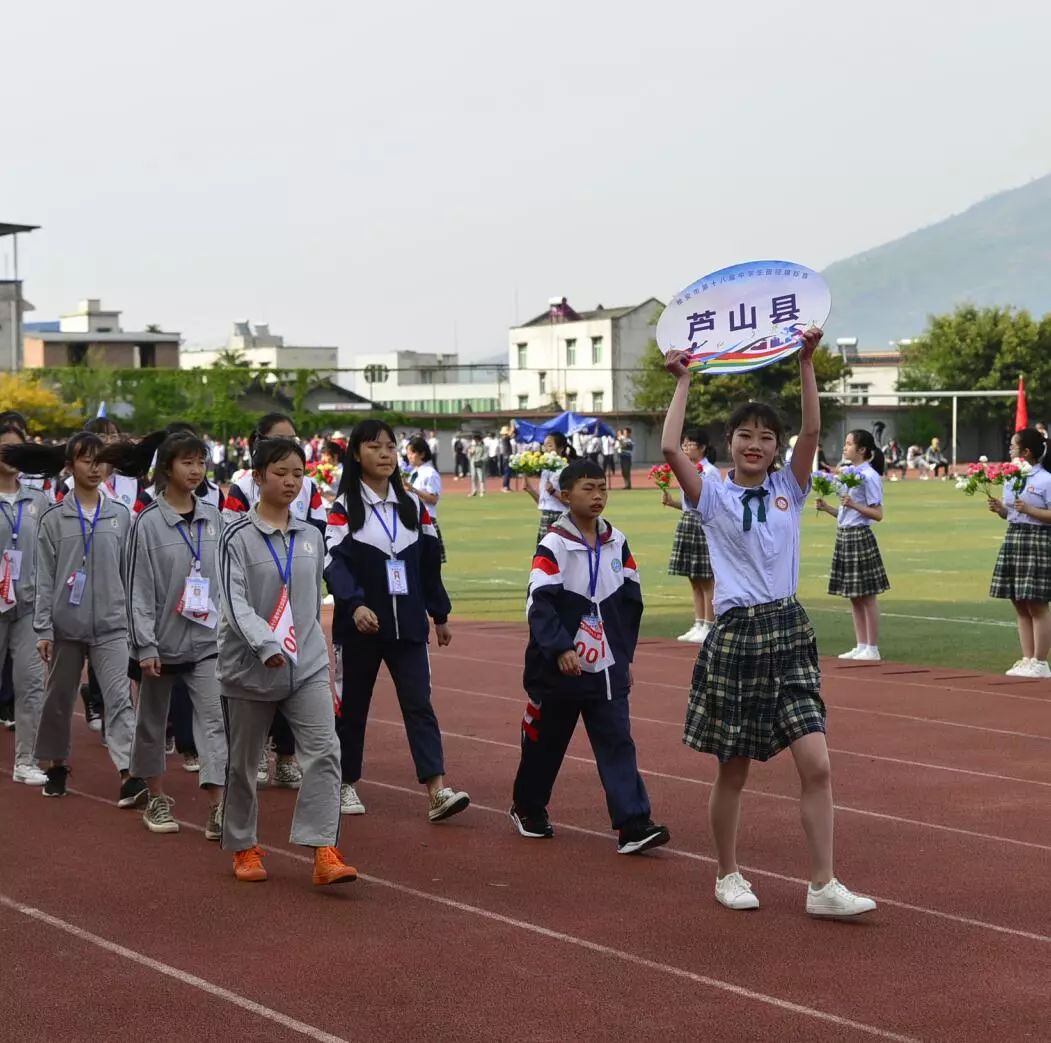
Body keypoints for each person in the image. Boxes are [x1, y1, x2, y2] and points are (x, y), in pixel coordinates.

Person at [660, 328, 876, 918]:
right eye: (745, 435)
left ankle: (823, 885)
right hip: (737, 637)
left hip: (789, 630)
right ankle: (727, 872)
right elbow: (672, 450)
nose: (756, 444)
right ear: (729, 442)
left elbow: (812, 430)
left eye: (765, 437)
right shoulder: (711, 495)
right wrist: (684, 380)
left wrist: (806, 361)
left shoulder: (790, 486)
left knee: (818, 762)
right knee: (734, 768)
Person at [216, 436, 356, 886]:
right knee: (242, 764)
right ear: (257, 478)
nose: (291, 481)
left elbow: (312, 605)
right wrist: (265, 644)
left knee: (326, 753)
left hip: (306, 666)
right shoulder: (235, 536)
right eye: (280, 472)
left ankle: (323, 849)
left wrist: (315, 653)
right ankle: (244, 845)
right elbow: (233, 601)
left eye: (298, 473)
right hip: (250, 667)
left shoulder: (311, 536)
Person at [510, 459, 669, 853]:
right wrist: (561, 647)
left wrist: (624, 657)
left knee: (617, 740)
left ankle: (633, 823)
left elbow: (631, 603)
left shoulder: (617, 541)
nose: (597, 496)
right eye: (587, 489)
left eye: (602, 488)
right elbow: (539, 603)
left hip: (607, 668)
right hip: (558, 669)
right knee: (546, 743)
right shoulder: (554, 544)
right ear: (565, 496)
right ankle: (528, 807)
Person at [324, 420, 470, 821]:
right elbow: (334, 564)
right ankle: (344, 783)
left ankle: (437, 790)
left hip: (407, 626)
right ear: (356, 454)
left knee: (419, 704)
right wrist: (354, 605)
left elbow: (429, 565)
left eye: (391, 446)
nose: (386, 454)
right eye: (375, 447)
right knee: (351, 708)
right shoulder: (343, 509)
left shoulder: (414, 506)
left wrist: (439, 615)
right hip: (359, 629)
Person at [1, 433, 146, 806]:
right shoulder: (53, 518)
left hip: (112, 625)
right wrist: (44, 627)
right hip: (65, 627)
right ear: (70, 466)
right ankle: (56, 764)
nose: (95, 467)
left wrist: (133, 621)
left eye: (101, 460)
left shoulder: (120, 516)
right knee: (59, 699)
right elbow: (45, 577)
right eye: (86, 460)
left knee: (119, 699)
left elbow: (129, 573)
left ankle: (129, 774)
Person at [116, 432, 227, 838]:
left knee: (214, 721)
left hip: (206, 642)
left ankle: (218, 805)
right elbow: (137, 589)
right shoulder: (146, 523)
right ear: (166, 468)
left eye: (201, 462)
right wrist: (144, 644)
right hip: (159, 645)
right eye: (187, 462)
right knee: (152, 722)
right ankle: (157, 796)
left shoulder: (214, 518)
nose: (196, 470)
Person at [224, 413, 324, 790]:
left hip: (294, 604)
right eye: (277, 440)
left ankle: (285, 756)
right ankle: (242, 831)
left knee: (320, 738)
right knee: (255, 704)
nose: (291, 479)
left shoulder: (308, 489)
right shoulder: (241, 489)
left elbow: (316, 536)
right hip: (259, 602)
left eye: (293, 438)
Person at [0, 419, 50, 785]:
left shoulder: (39, 500)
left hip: (29, 606)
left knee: (31, 683)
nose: (11, 456)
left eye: (18, 449)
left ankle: (26, 760)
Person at [816, 430, 889, 662]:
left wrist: (854, 504)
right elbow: (846, 513)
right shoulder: (849, 473)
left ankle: (873, 647)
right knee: (853, 596)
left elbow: (877, 514)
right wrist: (828, 508)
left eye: (849, 444)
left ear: (862, 450)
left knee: (867, 596)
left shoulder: (869, 476)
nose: (844, 448)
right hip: (845, 535)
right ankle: (861, 644)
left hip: (860, 537)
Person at [987, 428, 1051, 677]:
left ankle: (1041, 662)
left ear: (1026, 451)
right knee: (1020, 602)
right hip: (1015, 537)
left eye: (1014, 446)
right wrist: (1001, 509)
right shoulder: (1011, 477)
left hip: (1038, 541)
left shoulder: (1045, 479)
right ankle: (1027, 658)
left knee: (1037, 603)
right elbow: (1011, 514)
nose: (1010, 449)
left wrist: (1030, 510)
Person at [662, 427, 718, 643]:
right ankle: (699, 622)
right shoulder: (687, 469)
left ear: (702, 447)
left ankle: (710, 625)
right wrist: (672, 502)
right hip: (688, 522)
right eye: (683, 444)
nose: (685, 448)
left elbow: (709, 502)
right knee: (693, 577)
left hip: (702, 525)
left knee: (706, 578)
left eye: (689, 444)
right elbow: (689, 505)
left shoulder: (709, 471)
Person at [523, 432, 571, 545]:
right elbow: (544, 503)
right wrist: (530, 489)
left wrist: (553, 491)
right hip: (545, 517)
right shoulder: (545, 470)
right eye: (544, 446)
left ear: (560, 449)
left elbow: (571, 501)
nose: (546, 449)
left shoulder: (565, 470)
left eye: (550, 445)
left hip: (560, 517)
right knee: (544, 557)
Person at [406, 435, 446, 562]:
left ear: (422, 454)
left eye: (412, 453)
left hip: (426, 522)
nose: (409, 456)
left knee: (429, 566)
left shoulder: (430, 473)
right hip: (413, 521)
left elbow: (433, 499)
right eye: (408, 453)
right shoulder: (413, 472)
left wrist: (413, 490)